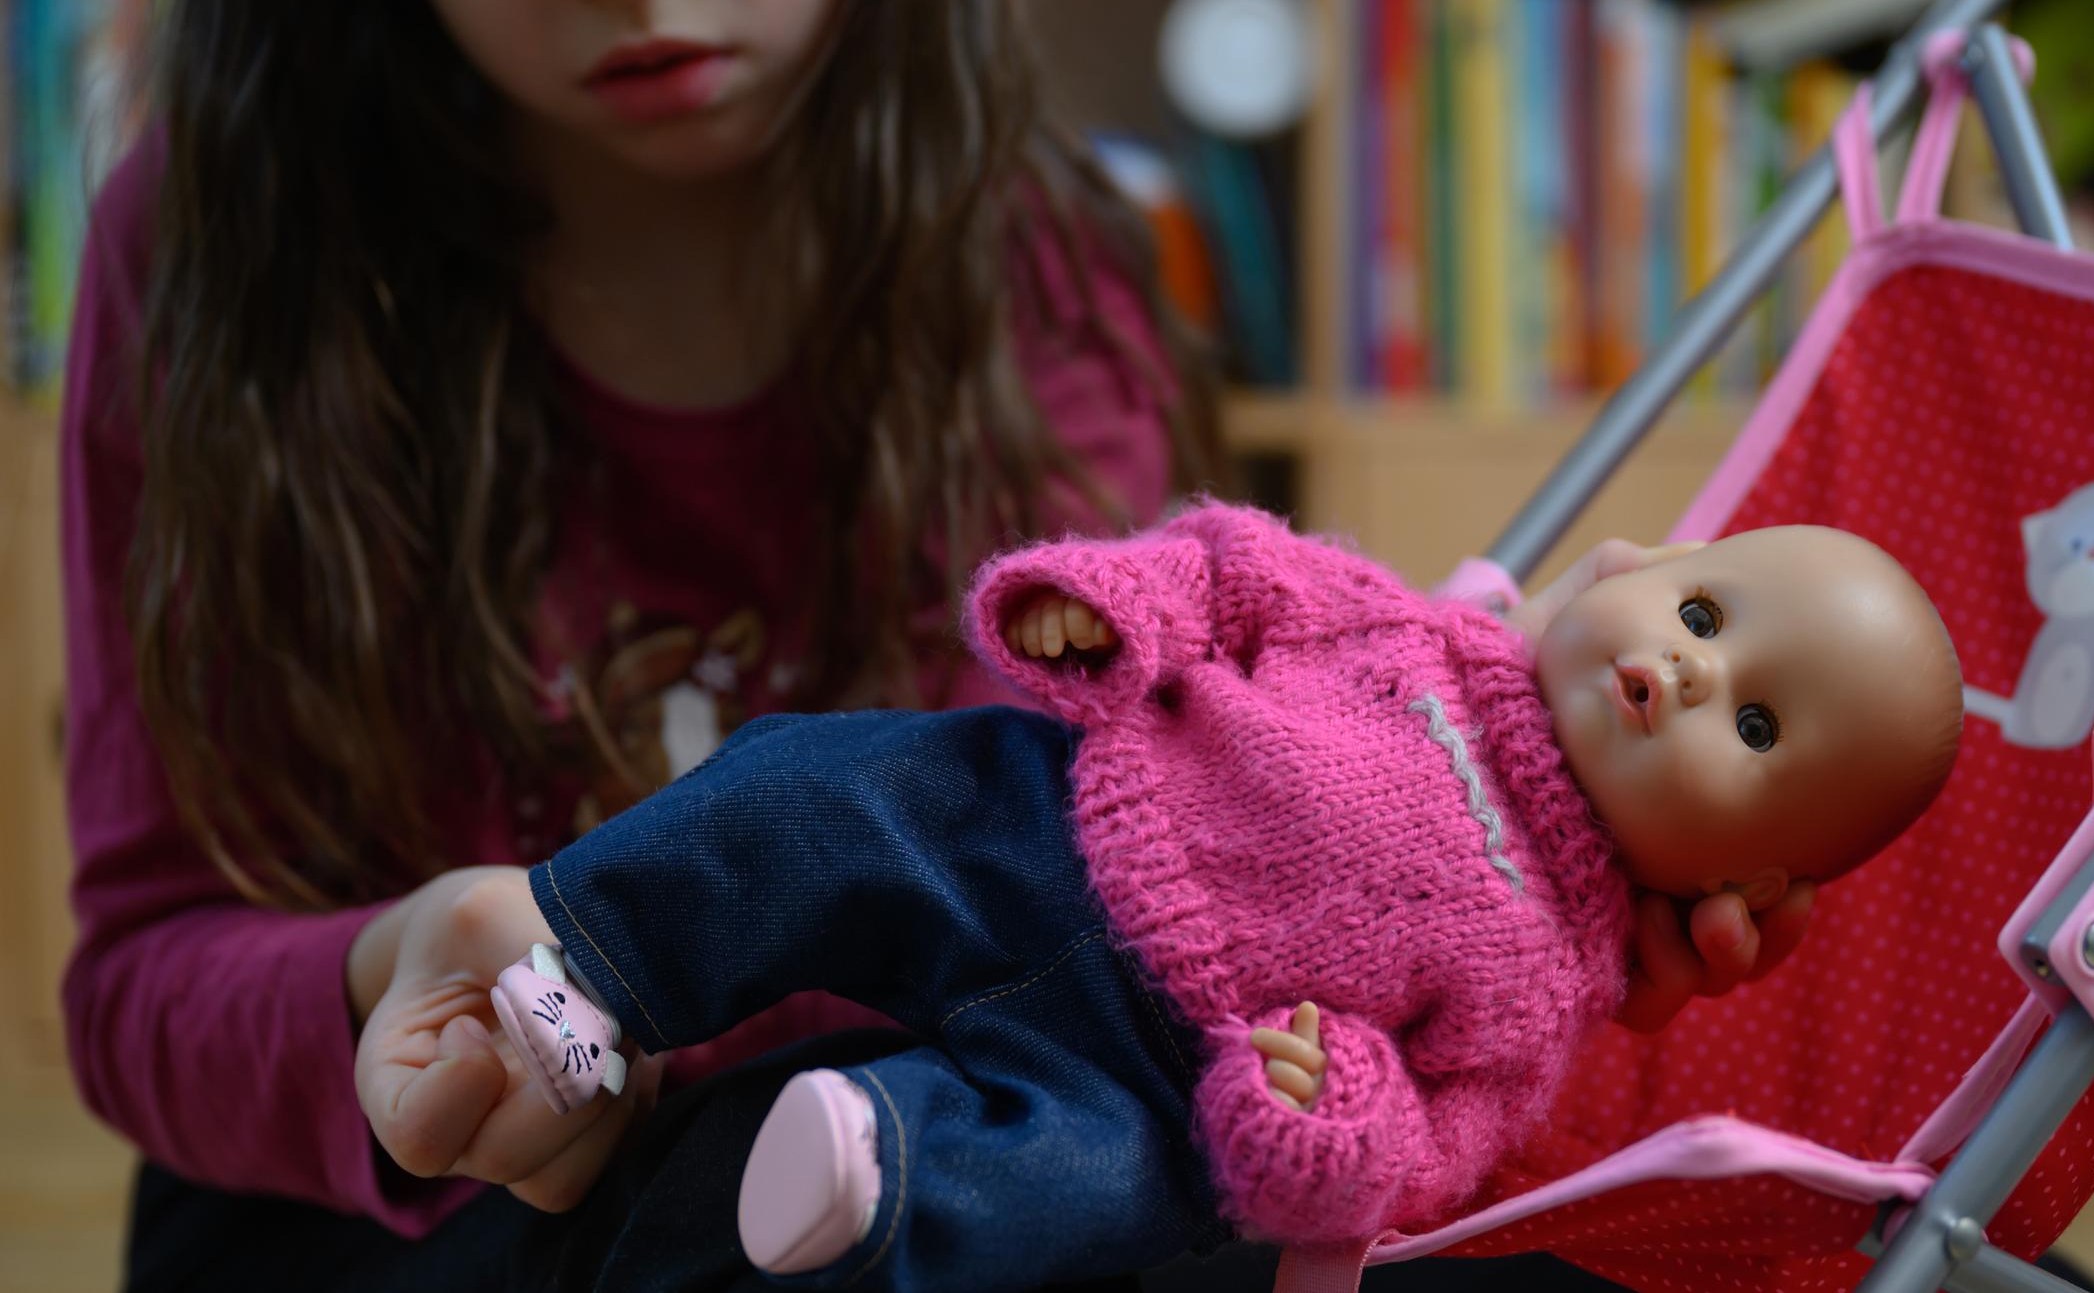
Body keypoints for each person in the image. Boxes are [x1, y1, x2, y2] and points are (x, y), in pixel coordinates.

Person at [59, 0, 1797, 1285]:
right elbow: (141, 976)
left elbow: (1134, 925)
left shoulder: (1049, 271)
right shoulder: (229, 257)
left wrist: (1505, 845)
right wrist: (389, 970)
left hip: (909, 1174)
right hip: (396, 1236)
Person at [483, 504, 1964, 1289]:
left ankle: (879, 1172)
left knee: (1093, 1189)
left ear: (1740, 882)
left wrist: (1330, 1112)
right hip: (1043, 822)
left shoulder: (1550, 984)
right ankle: (601, 968)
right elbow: (1243, 574)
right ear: (1641, 568)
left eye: (1753, 724)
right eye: (1703, 611)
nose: (1692, 669)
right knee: (820, 792)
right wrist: (1120, 605)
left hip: (1148, 1069)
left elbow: (1434, 1142)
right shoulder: (1418, 630)